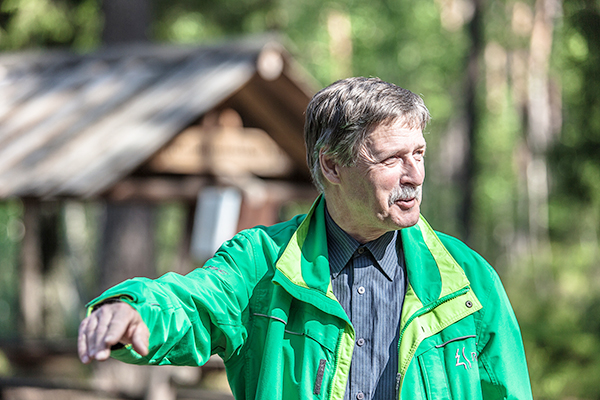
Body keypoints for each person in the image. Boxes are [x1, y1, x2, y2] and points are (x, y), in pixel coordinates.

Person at [78, 77, 533, 399]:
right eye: (392, 159)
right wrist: (134, 309)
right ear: (332, 166)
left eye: (419, 154)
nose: (415, 175)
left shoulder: (469, 279)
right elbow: (192, 302)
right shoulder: (261, 263)